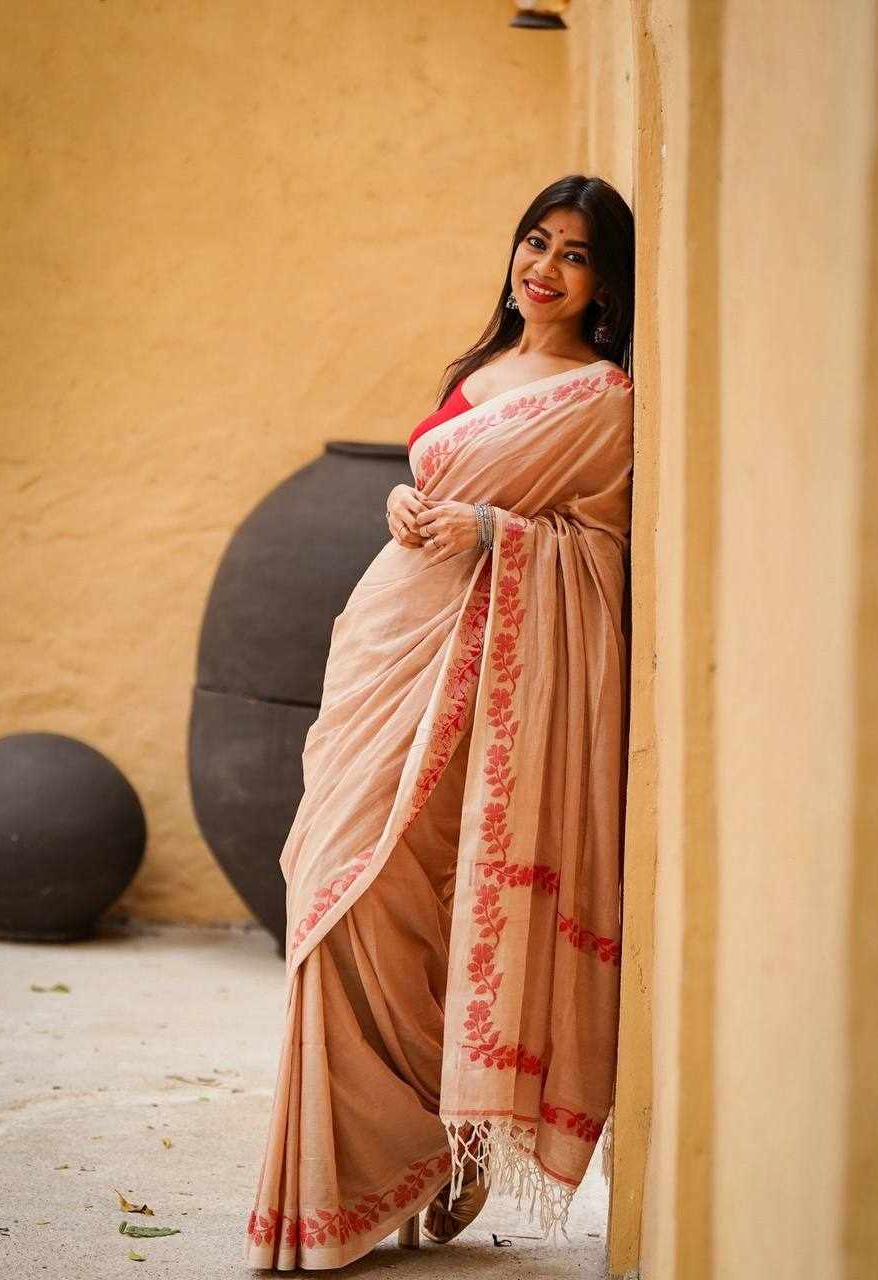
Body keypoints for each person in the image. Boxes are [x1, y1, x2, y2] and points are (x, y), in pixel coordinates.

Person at [244, 172, 635, 1273]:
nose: (544, 267)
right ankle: (401, 1150)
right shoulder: (480, 369)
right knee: (327, 888)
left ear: (606, 285)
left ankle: (434, 1133)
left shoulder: (604, 400)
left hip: (479, 672)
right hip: (388, 652)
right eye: (535, 241)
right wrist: (405, 502)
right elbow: (440, 476)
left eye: (574, 254)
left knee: (392, 899)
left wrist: (495, 532)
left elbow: (602, 548)